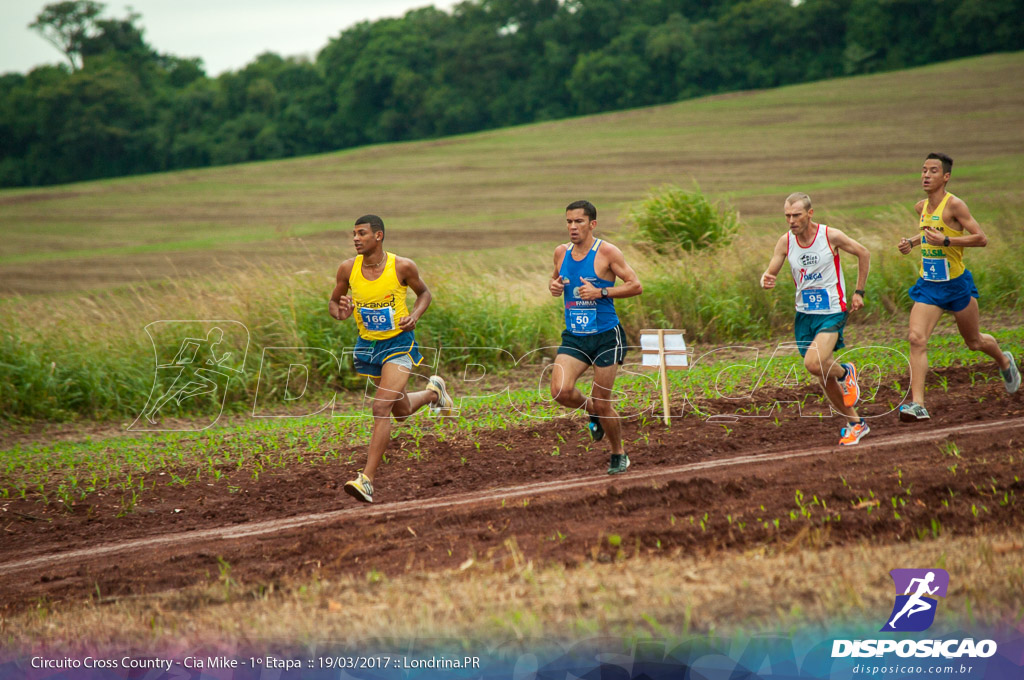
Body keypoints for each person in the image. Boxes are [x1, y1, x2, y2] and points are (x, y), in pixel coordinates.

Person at [329, 214, 453, 503]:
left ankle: (367, 480)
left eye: (361, 233)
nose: (356, 239)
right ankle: (435, 393)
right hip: (368, 347)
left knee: (381, 407)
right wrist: (341, 312)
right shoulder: (348, 269)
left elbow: (424, 294)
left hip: (399, 346)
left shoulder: (402, 266)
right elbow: (334, 304)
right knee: (402, 410)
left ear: (378, 236)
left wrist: (415, 315)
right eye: (354, 234)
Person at [896, 153, 1020, 421]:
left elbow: (981, 238)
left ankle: (1004, 361)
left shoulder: (956, 206)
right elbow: (931, 230)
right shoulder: (921, 207)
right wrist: (913, 242)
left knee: (974, 342)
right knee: (916, 339)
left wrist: (947, 243)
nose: (926, 175)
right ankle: (918, 405)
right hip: (929, 285)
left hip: (956, 285)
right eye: (923, 170)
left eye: (933, 171)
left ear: (946, 177)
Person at [760, 192, 871, 445]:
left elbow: (864, 253)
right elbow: (771, 271)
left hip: (832, 310)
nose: (791, 220)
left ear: (810, 214)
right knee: (822, 375)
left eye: (796, 215)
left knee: (813, 363)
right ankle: (856, 424)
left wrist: (858, 291)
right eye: (787, 215)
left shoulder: (829, 236)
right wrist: (765, 279)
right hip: (804, 314)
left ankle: (845, 373)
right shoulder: (785, 242)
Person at [548, 200, 643, 474]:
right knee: (560, 392)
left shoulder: (608, 252)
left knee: (605, 402)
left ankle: (618, 452)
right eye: (568, 221)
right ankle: (593, 411)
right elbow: (555, 280)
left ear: (592, 224)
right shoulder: (560, 252)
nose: (572, 227)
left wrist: (601, 292)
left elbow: (635, 286)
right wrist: (554, 287)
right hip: (575, 336)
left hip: (605, 336)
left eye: (578, 221)